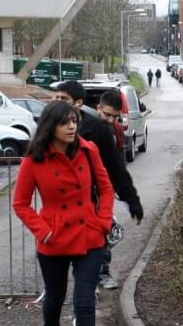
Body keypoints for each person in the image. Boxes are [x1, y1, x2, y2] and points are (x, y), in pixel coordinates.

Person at [13, 102, 112, 326]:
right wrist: (43, 231)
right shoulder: (35, 160)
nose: (71, 127)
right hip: (53, 239)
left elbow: (105, 188)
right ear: (50, 126)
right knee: (54, 298)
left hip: (88, 236)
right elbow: (20, 203)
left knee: (85, 300)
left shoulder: (88, 150)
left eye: (74, 121)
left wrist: (103, 221)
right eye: (65, 123)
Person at [51, 81, 143, 290]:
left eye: (63, 99)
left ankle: (95, 278)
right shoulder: (48, 127)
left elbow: (116, 167)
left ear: (78, 103)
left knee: (97, 239)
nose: (58, 102)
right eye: (56, 97)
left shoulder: (97, 129)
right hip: (61, 201)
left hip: (92, 197)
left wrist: (131, 199)